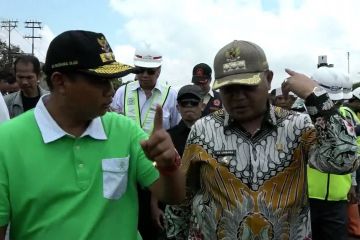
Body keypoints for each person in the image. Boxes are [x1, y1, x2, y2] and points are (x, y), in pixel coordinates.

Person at [0, 30, 185, 240]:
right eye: (100, 81)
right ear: (60, 82)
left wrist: (168, 166)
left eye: (112, 81)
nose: (111, 90)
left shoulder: (124, 130)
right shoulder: (6, 141)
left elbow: (173, 196)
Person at [165, 40, 359, 239]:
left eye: (247, 86)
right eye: (228, 89)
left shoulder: (297, 126)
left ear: (268, 78)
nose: (238, 96)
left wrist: (315, 96)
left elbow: (344, 160)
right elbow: (183, 198)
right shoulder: (203, 129)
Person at [111, 45, 181, 240]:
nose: (144, 75)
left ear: (159, 71)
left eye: (150, 71)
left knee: (152, 226)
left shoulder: (170, 94)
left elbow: (174, 131)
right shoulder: (122, 92)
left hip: (155, 170)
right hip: (124, 166)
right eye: (139, 70)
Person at [306, 66, 354, 240]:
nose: (334, 105)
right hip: (305, 198)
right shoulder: (299, 119)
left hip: (337, 198)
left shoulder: (347, 116)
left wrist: (353, 183)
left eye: (337, 101)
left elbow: (354, 150)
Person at [151, 85, 204, 238]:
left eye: (193, 103)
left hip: (205, 204)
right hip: (174, 207)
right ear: (177, 107)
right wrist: (154, 205)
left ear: (202, 105)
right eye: (184, 103)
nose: (188, 107)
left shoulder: (213, 136)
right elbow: (157, 171)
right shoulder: (168, 137)